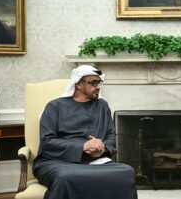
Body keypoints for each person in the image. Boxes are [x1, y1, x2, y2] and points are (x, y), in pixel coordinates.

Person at [33, 65, 138, 199]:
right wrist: (82, 147)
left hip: (94, 161)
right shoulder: (54, 107)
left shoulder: (102, 106)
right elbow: (47, 142)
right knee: (65, 178)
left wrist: (102, 148)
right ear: (78, 84)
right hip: (57, 161)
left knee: (126, 172)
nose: (98, 86)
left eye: (99, 82)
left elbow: (111, 135)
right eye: (93, 82)